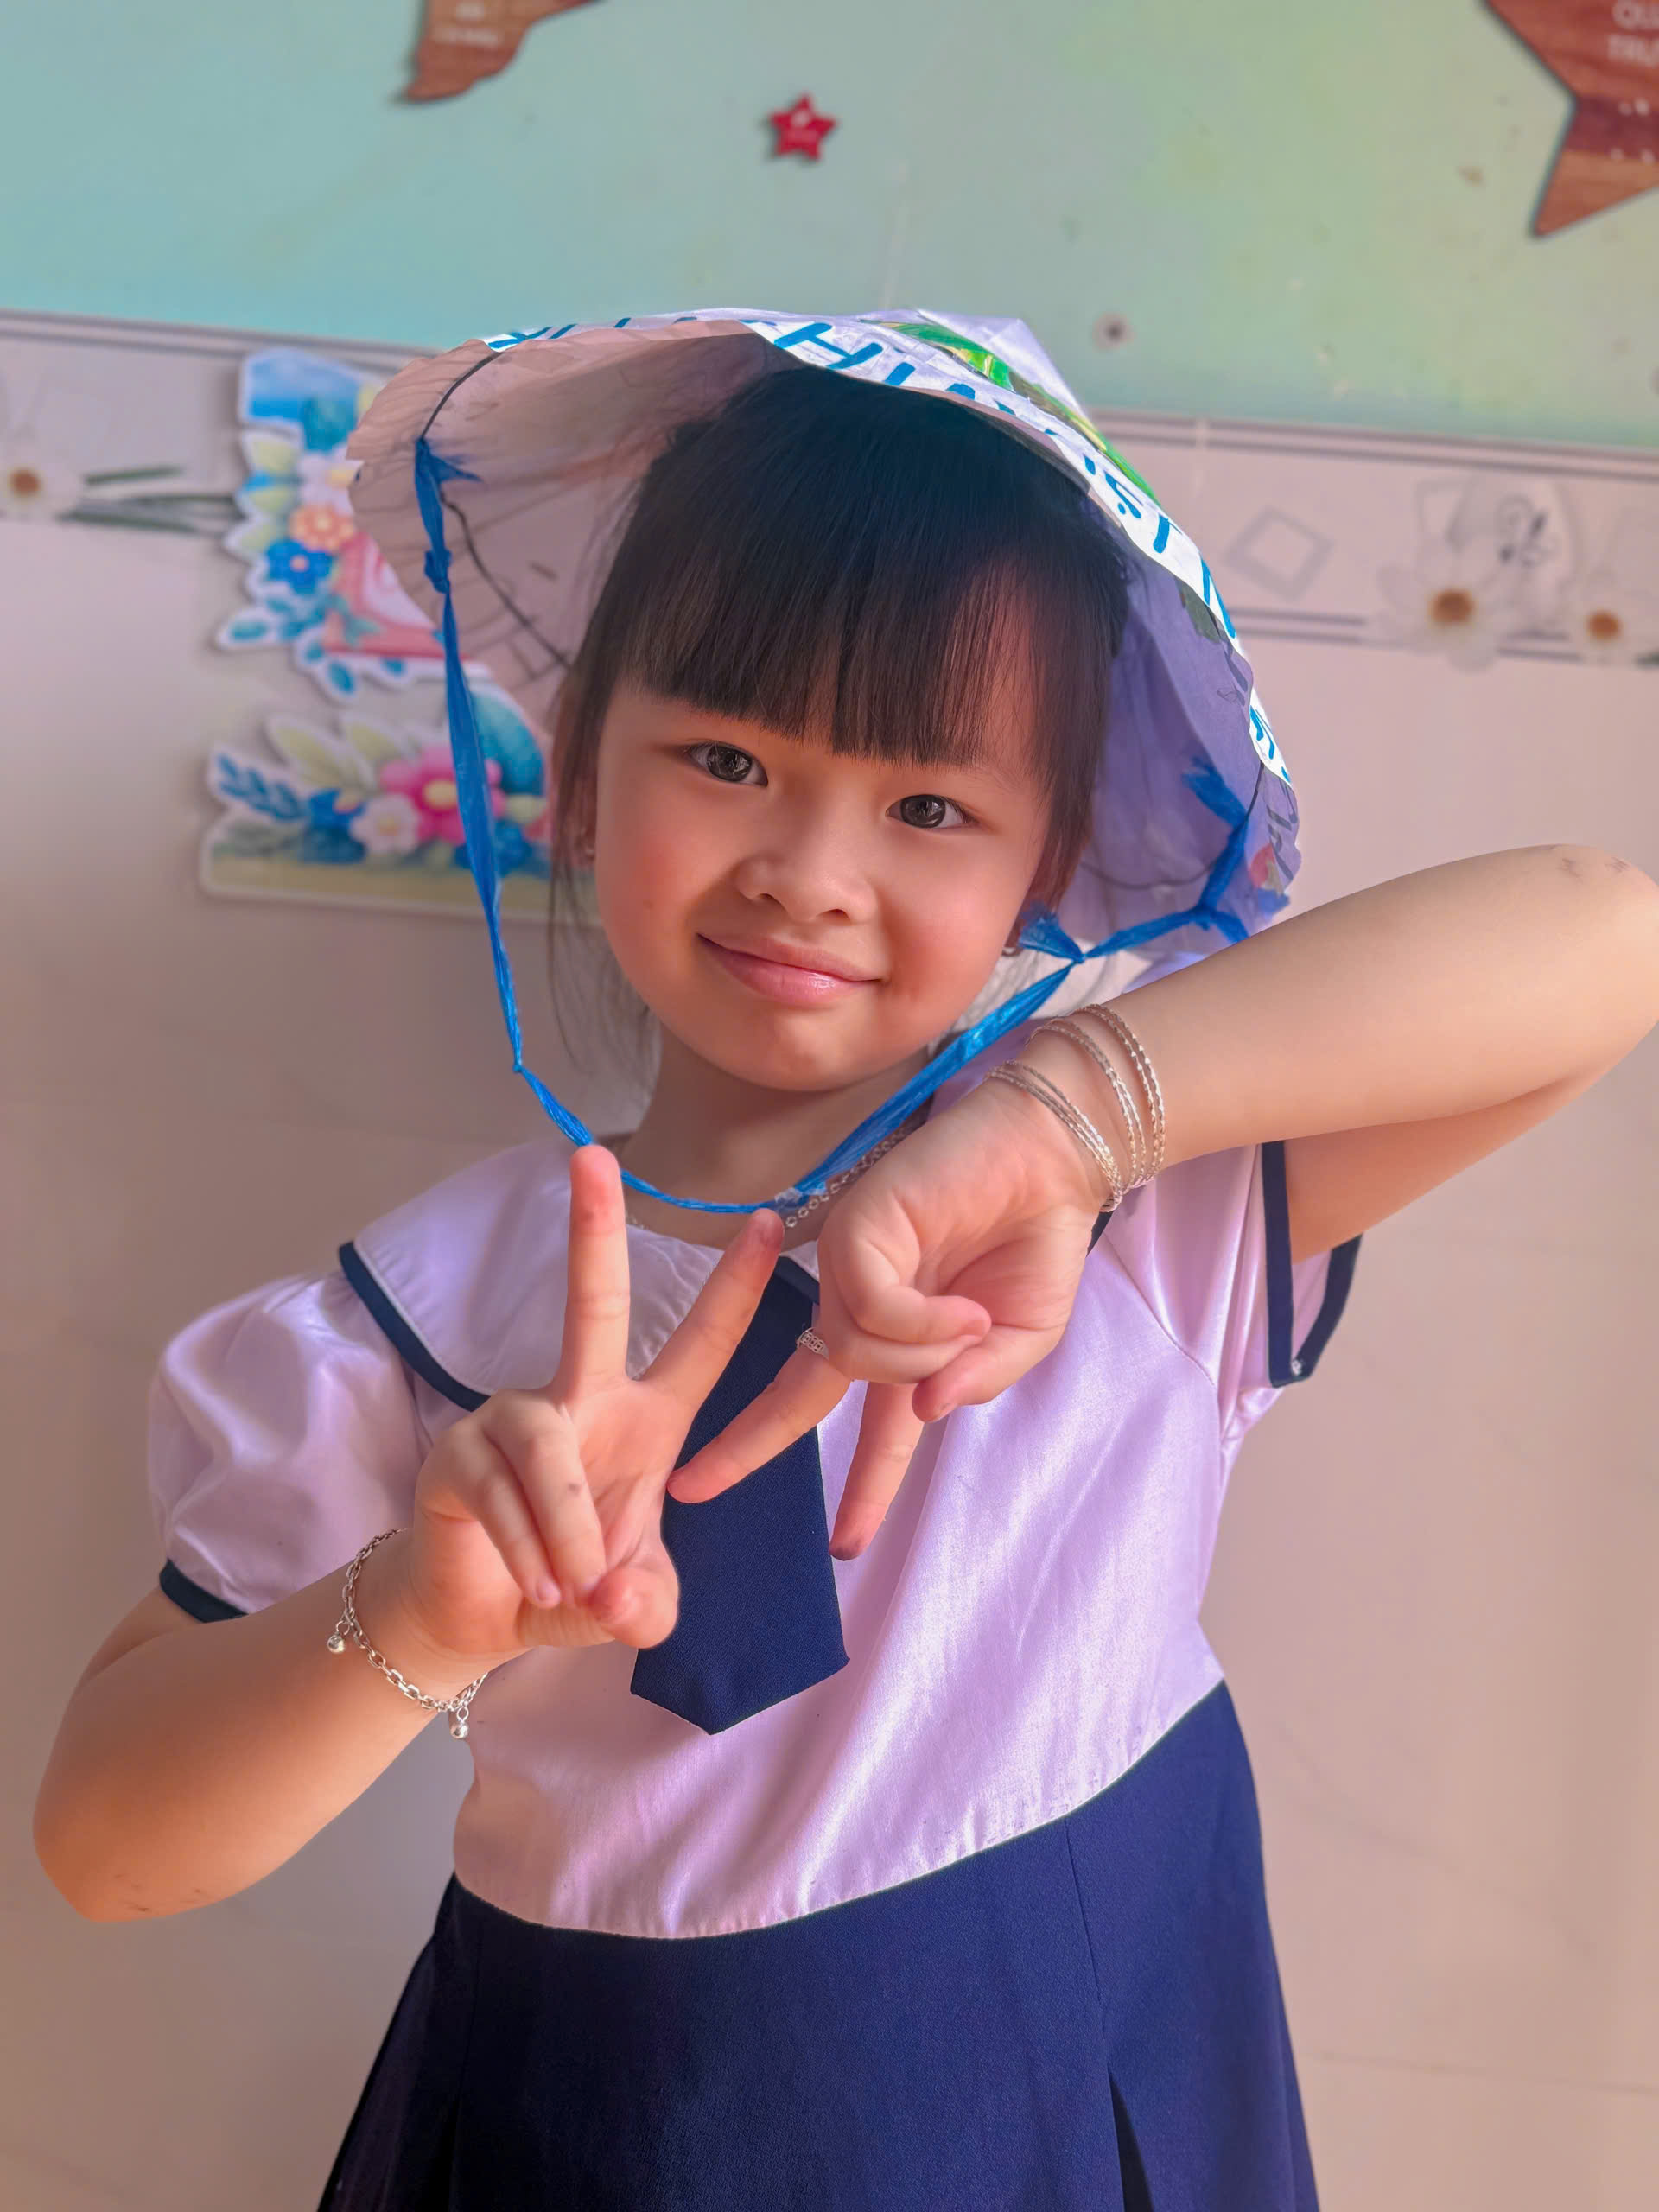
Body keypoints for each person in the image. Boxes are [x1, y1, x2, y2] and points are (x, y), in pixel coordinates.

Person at [33, 312, 1659, 2212]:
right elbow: (106, 1845)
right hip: (585, 2132)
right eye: (727, 755)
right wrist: (420, 1614)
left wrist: (1067, 1120)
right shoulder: (407, 1331)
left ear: (1047, 858)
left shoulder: (1148, 1220)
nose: (810, 869)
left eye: (929, 806)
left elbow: (1607, 932)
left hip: (1086, 2093)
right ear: (583, 773)